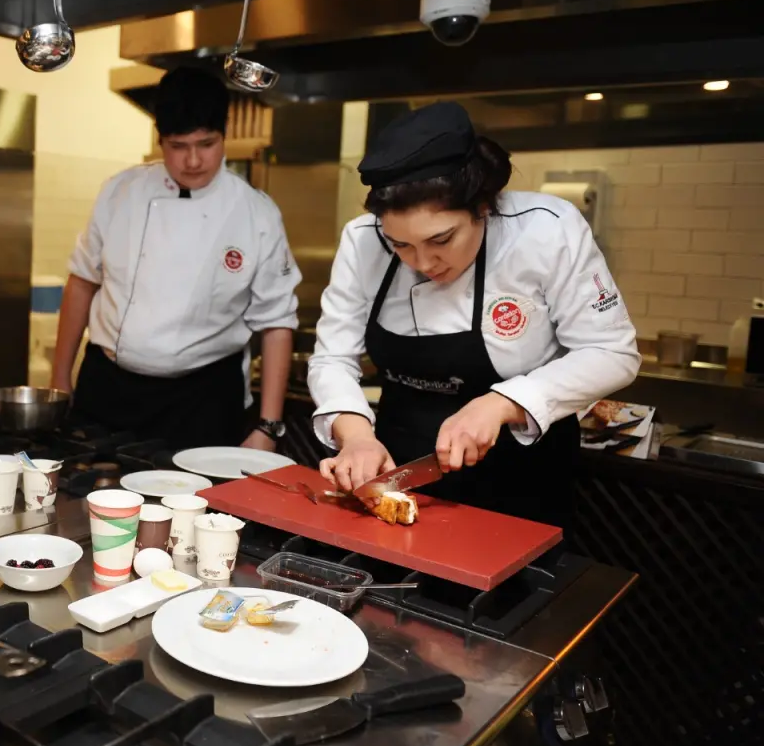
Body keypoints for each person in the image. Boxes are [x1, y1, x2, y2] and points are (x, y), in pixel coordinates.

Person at [308, 101, 639, 529]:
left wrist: (502, 403)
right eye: (401, 245)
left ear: (483, 206)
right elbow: (333, 357)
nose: (423, 261)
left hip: (521, 478)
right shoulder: (361, 240)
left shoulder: (545, 230)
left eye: (441, 238)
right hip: (398, 467)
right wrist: (355, 436)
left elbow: (613, 352)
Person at [51, 67, 301, 451]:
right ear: (160, 140)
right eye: (178, 146)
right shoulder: (120, 193)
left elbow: (277, 322)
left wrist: (268, 425)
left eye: (206, 144)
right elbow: (83, 281)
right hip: (108, 389)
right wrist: (59, 378)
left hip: (202, 399)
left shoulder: (257, 213)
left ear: (225, 134)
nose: (193, 160)